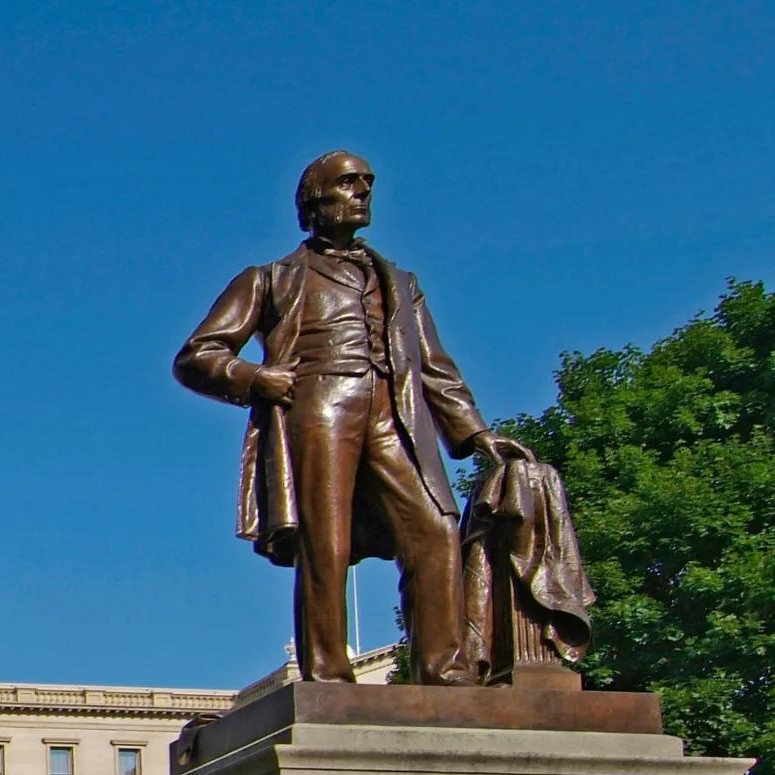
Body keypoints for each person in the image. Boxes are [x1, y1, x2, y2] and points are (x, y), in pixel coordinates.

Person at [174, 150, 530, 684]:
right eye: (347, 183)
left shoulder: (400, 283)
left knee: (435, 529)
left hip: (396, 410)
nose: (361, 191)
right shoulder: (271, 278)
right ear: (313, 199)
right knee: (326, 540)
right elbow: (197, 355)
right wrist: (254, 378)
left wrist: (475, 432)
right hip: (318, 403)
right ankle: (329, 675)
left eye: (366, 183)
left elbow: (434, 366)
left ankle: (445, 671)